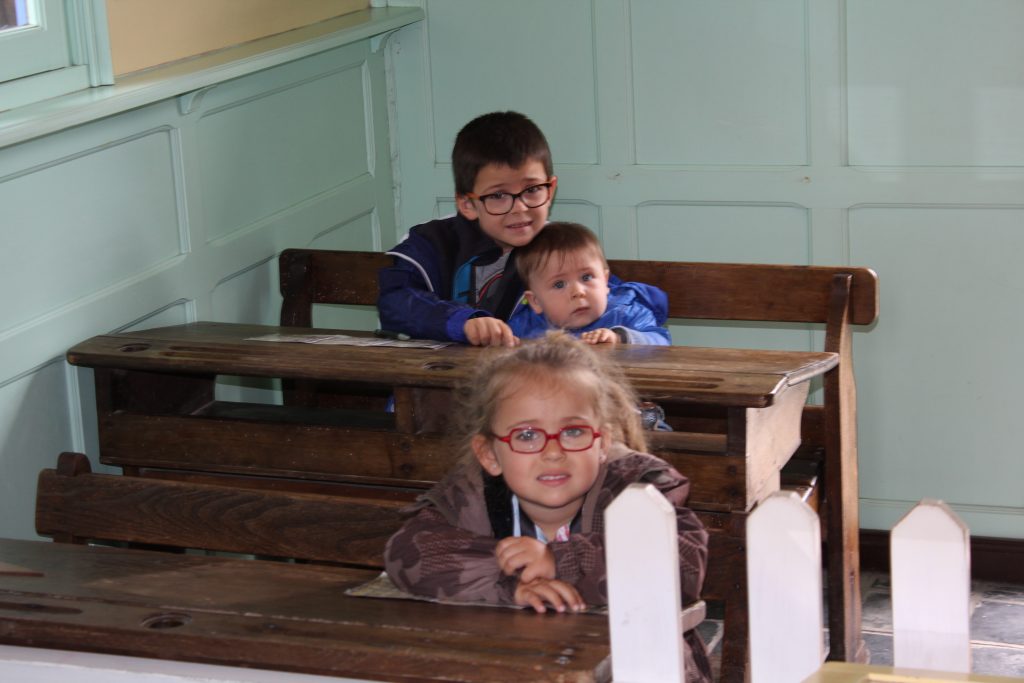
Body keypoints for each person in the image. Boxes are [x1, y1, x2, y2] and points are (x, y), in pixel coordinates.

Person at [384, 332, 711, 682]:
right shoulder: (473, 494)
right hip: (524, 666)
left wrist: (559, 561)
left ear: (602, 441)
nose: (553, 452)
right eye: (527, 435)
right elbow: (409, 551)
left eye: (573, 432)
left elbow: (683, 562)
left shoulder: (639, 488)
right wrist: (511, 580)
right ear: (489, 454)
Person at [377, 111, 556, 347]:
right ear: (467, 204)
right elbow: (396, 302)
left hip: (532, 366)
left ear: (550, 190)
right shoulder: (433, 242)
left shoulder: (562, 248)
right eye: (498, 195)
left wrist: (607, 329)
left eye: (532, 190)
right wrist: (462, 322)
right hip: (439, 367)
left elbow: (600, 300)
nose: (520, 208)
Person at [508, 221, 671, 345]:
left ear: (605, 282)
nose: (578, 292)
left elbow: (661, 341)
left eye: (586, 277)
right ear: (536, 301)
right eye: (559, 284)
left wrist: (621, 337)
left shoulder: (625, 313)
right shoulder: (523, 327)